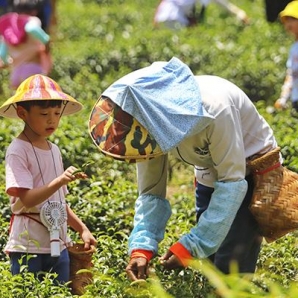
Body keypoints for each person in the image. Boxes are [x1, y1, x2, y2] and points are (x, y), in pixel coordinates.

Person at [89, 57, 279, 279]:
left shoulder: (215, 109)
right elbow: (151, 191)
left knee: (231, 266)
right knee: (211, 263)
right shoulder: (147, 124)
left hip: (249, 170)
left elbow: (232, 182)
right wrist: (142, 247)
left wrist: (191, 246)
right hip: (207, 167)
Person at [0, 74, 97, 284]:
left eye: (56, 113)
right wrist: (60, 180)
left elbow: (59, 203)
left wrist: (82, 229)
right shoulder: (18, 150)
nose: (52, 119)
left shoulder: (54, 150)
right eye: (44, 113)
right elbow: (27, 199)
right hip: (29, 245)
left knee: (60, 291)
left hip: (59, 243)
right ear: (22, 113)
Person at [0, 0, 52, 90]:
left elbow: (2, 54)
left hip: (15, 74)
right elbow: (31, 29)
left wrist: (8, 62)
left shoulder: (9, 28)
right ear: (34, 11)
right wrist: (46, 41)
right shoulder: (31, 20)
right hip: (33, 72)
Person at [153, 0, 249, 29]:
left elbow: (225, 5)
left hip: (166, 16)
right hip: (172, 17)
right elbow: (200, 15)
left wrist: (239, 13)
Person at [274, 1, 298, 112]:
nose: (288, 24)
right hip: (296, 98)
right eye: (286, 20)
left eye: (292, 19)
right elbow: (291, 75)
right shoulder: (294, 48)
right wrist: (283, 98)